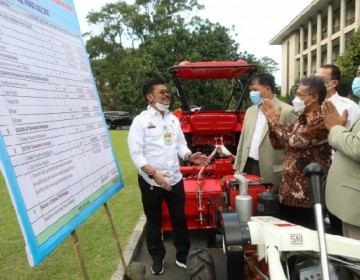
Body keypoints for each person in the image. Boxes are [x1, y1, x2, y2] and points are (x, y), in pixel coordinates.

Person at [127, 78, 209, 275]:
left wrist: (190, 156)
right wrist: (154, 174)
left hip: (174, 179)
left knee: (179, 219)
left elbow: (180, 145)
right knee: (154, 222)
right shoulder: (140, 121)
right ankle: (157, 258)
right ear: (150, 97)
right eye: (161, 92)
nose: (166, 94)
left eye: (167, 92)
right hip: (151, 182)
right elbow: (136, 154)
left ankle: (183, 256)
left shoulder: (173, 119)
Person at [260, 75, 332, 230]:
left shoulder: (321, 121)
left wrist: (274, 122)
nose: (296, 99)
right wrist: (272, 123)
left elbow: (295, 142)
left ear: (314, 97)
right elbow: (279, 143)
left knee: (308, 241)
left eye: (300, 95)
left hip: (308, 196)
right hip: (288, 193)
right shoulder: (301, 119)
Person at [233, 73, 296, 193]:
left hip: (272, 170)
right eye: (251, 90)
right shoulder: (250, 111)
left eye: (255, 90)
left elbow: (293, 143)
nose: (252, 93)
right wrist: (238, 166)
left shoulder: (287, 111)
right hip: (248, 166)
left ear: (268, 89)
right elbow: (243, 140)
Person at [322, 99, 360, 240]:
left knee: (354, 258)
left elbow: (357, 148)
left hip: (355, 205)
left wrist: (336, 128)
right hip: (349, 202)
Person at [315, 64, 360, 129]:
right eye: (314, 78)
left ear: (334, 83)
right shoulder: (311, 103)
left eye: (320, 79)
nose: (315, 82)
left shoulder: (349, 107)